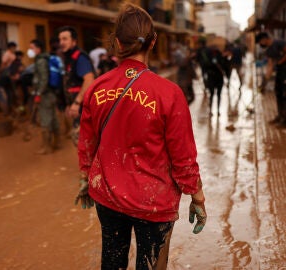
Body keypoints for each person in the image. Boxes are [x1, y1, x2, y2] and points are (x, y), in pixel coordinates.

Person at [75, 3, 207, 269]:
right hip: (154, 202)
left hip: (107, 195)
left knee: (112, 261)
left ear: (116, 43)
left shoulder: (97, 88)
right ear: (153, 42)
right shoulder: (169, 93)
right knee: (151, 264)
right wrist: (197, 196)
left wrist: (85, 178)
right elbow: (183, 157)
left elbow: (87, 144)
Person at [58, 26, 95, 145]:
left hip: (84, 108)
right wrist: (69, 104)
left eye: (65, 39)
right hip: (77, 108)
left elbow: (89, 80)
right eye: (60, 40)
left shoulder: (80, 57)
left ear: (74, 41)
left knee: (85, 144)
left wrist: (77, 102)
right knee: (81, 145)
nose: (61, 43)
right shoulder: (68, 58)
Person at [28, 39, 60, 154]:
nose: (30, 51)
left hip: (45, 95)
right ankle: (57, 143)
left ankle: (47, 147)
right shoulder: (46, 58)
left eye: (32, 48)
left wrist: (39, 93)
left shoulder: (41, 61)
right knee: (53, 118)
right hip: (51, 93)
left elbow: (43, 79)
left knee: (45, 120)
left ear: (38, 48)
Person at [256, 32, 286, 128]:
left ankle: (285, 120)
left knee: (285, 95)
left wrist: (281, 61)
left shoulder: (279, 43)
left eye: (260, 41)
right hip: (280, 71)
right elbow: (270, 65)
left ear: (265, 39)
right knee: (278, 92)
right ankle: (280, 115)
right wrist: (265, 80)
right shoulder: (268, 50)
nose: (261, 44)